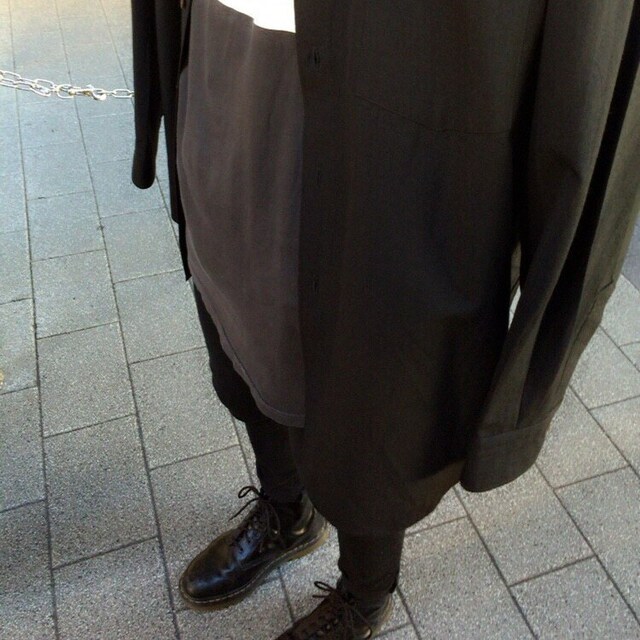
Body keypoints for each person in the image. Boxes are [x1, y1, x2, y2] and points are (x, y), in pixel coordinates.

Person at [131, 1, 640, 637]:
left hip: (406, 88)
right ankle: (287, 510)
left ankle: (366, 590)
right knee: (242, 303)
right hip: (226, 39)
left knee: (377, 368)